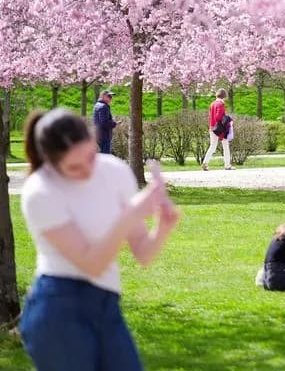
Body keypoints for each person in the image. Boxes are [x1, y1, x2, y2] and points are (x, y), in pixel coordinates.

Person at [19, 109, 179, 371]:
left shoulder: (114, 171)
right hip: (58, 307)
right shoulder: (39, 191)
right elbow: (91, 264)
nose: (87, 171)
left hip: (106, 303)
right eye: (73, 167)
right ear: (50, 162)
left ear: (94, 139)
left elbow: (143, 253)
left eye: (91, 157)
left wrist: (163, 226)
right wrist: (131, 215)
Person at [202, 89, 233, 171]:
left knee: (212, 146)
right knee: (225, 146)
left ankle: (205, 162)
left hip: (212, 127)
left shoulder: (212, 104)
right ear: (224, 96)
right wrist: (227, 118)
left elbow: (212, 117)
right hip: (220, 128)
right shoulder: (220, 104)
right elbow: (218, 117)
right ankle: (227, 165)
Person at [92, 89, 117, 154]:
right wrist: (114, 123)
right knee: (105, 157)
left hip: (98, 135)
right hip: (104, 136)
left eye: (111, 96)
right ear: (103, 96)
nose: (111, 98)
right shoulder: (104, 107)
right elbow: (104, 123)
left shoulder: (97, 105)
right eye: (109, 96)